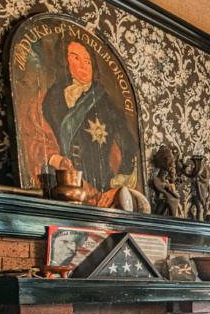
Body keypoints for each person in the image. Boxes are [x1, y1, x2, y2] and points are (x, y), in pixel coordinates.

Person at [39, 39, 138, 196]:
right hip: (58, 187)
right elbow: (41, 136)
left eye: (87, 61)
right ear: (65, 61)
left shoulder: (105, 103)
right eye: (76, 58)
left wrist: (119, 178)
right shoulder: (52, 96)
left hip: (99, 187)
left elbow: (129, 144)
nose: (83, 65)